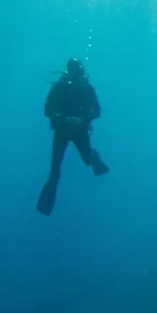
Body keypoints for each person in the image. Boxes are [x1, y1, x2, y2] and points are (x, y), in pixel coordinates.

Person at [37, 58, 109, 215]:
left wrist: (82, 121)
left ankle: (94, 157)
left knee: (87, 159)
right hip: (62, 131)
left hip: (79, 131)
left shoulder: (87, 88)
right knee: (55, 169)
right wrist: (66, 119)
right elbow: (47, 110)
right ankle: (48, 199)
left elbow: (97, 111)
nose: (76, 77)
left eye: (78, 73)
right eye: (74, 73)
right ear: (68, 72)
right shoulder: (59, 87)